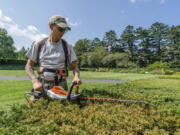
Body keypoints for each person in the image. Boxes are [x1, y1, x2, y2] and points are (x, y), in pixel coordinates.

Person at [25, 15, 81, 95]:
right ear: (51, 27)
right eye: (60, 29)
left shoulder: (67, 46)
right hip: (42, 86)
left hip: (61, 86)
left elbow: (75, 67)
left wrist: (76, 76)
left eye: (65, 30)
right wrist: (35, 81)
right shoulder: (39, 44)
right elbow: (28, 66)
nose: (63, 32)